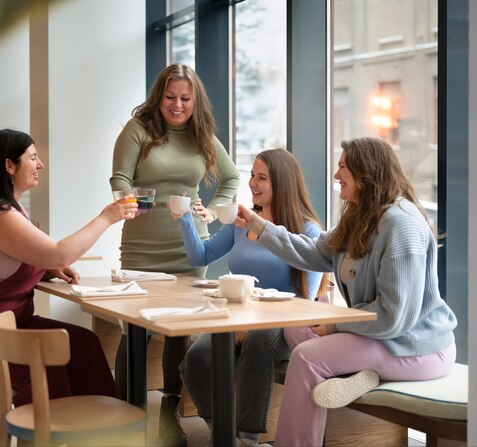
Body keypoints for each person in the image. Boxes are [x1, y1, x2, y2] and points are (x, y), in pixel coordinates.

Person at [235, 137, 458, 447]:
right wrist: (261, 227)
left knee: (307, 357)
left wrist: (335, 325)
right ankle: (365, 373)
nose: (336, 175)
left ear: (366, 173)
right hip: (380, 337)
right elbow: (314, 252)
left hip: (414, 347)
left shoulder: (401, 226)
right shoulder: (359, 216)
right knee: (295, 329)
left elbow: (392, 318)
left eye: (343, 167)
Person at [0, 129, 138, 408]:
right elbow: (57, 253)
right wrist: (107, 217)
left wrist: (47, 270)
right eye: (32, 157)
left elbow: (15, 259)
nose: (40, 164)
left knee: (84, 343)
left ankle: (101, 431)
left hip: (8, 323)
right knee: (46, 362)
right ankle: (44, 435)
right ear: (9, 165)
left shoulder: (11, 209)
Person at [110, 63, 240, 446]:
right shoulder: (138, 130)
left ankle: (169, 415)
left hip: (189, 246)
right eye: (170, 97)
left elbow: (232, 177)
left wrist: (213, 210)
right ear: (159, 96)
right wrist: (128, 199)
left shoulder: (202, 136)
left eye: (185, 98)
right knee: (133, 329)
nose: (177, 105)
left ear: (194, 99)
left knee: (178, 333)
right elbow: (119, 176)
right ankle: (125, 418)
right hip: (142, 245)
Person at [175, 148, 326, 447]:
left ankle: (248, 440)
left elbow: (306, 298)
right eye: (252, 176)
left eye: (262, 178)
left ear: (281, 183)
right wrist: (184, 219)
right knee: (196, 359)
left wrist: (254, 325)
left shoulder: (307, 229)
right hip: (237, 315)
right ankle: (220, 432)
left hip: (285, 321)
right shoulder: (241, 222)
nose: (252, 184)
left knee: (258, 344)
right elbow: (199, 255)